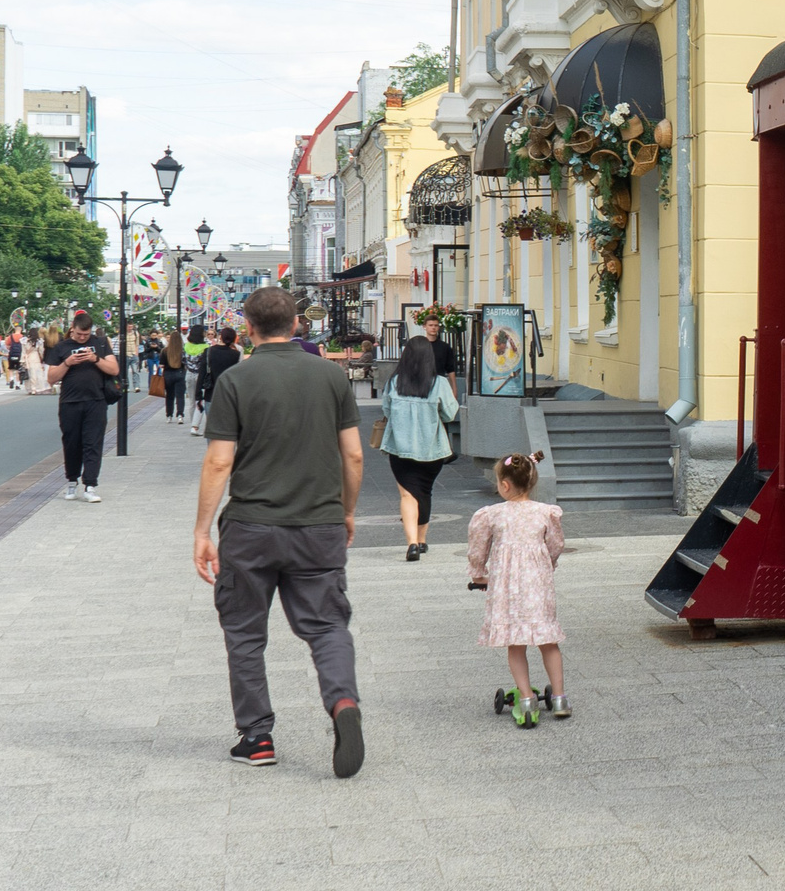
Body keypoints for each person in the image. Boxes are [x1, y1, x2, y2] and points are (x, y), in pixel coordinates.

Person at [191, 284, 365, 774]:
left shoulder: (237, 381)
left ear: (248, 328)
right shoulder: (331, 376)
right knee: (328, 625)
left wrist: (203, 531)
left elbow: (219, 462)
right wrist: (346, 510)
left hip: (252, 527)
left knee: (245, 631)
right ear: (296, 325)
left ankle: (257, 737)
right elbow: (353, 454)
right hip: (319, 525)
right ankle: (343, 704)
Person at [468, 453, 569, 727]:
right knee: (548, 641)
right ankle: (559, 698)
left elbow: (478, 548)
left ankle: (526, 700)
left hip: (507, 590)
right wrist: (547, 564)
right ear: (532, 482)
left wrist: (479, 574)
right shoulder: (545, 512)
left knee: (516, 644)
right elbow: (556, 546)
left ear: (504, 485)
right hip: (539, 586)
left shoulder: (492, 515)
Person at [382, 335, 459, 563]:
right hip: (431, 450)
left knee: (407, 494)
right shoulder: (440, 384)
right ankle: (422, 539)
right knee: (424, 491)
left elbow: (387, 411)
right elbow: (450, 413)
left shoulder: (394, 383)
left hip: (400, 449)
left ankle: (412, 544)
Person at [46, 313, 117, 502]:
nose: (82, 338)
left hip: (96, 400)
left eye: (86, 335)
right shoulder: (62, 347)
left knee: (93, 443)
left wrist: (95, 359)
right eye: (79, 334)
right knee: (71, 443)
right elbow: (51, 378)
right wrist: (68, 362)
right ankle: (72, 481)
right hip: (70, 402)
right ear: (72, 328)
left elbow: (114, 369)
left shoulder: (101, 343)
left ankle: (91, 485)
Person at [192, 326, 239, 436]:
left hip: (211, 394)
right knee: (227, 427)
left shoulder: (209, 352)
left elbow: (202, 374)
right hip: (229, 395)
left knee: (212, 427)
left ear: (220, 337)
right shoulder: (235, 355)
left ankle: (212, 450)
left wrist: (198, 396)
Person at [163, 330, 188, 420]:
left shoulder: (164, 351)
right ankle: (180, 414)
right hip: (180, 373)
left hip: (168, 375)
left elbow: (161, 365)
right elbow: (185, 363)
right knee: (180, 396)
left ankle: (169, 415)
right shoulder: (183, 350)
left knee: (169, 395)